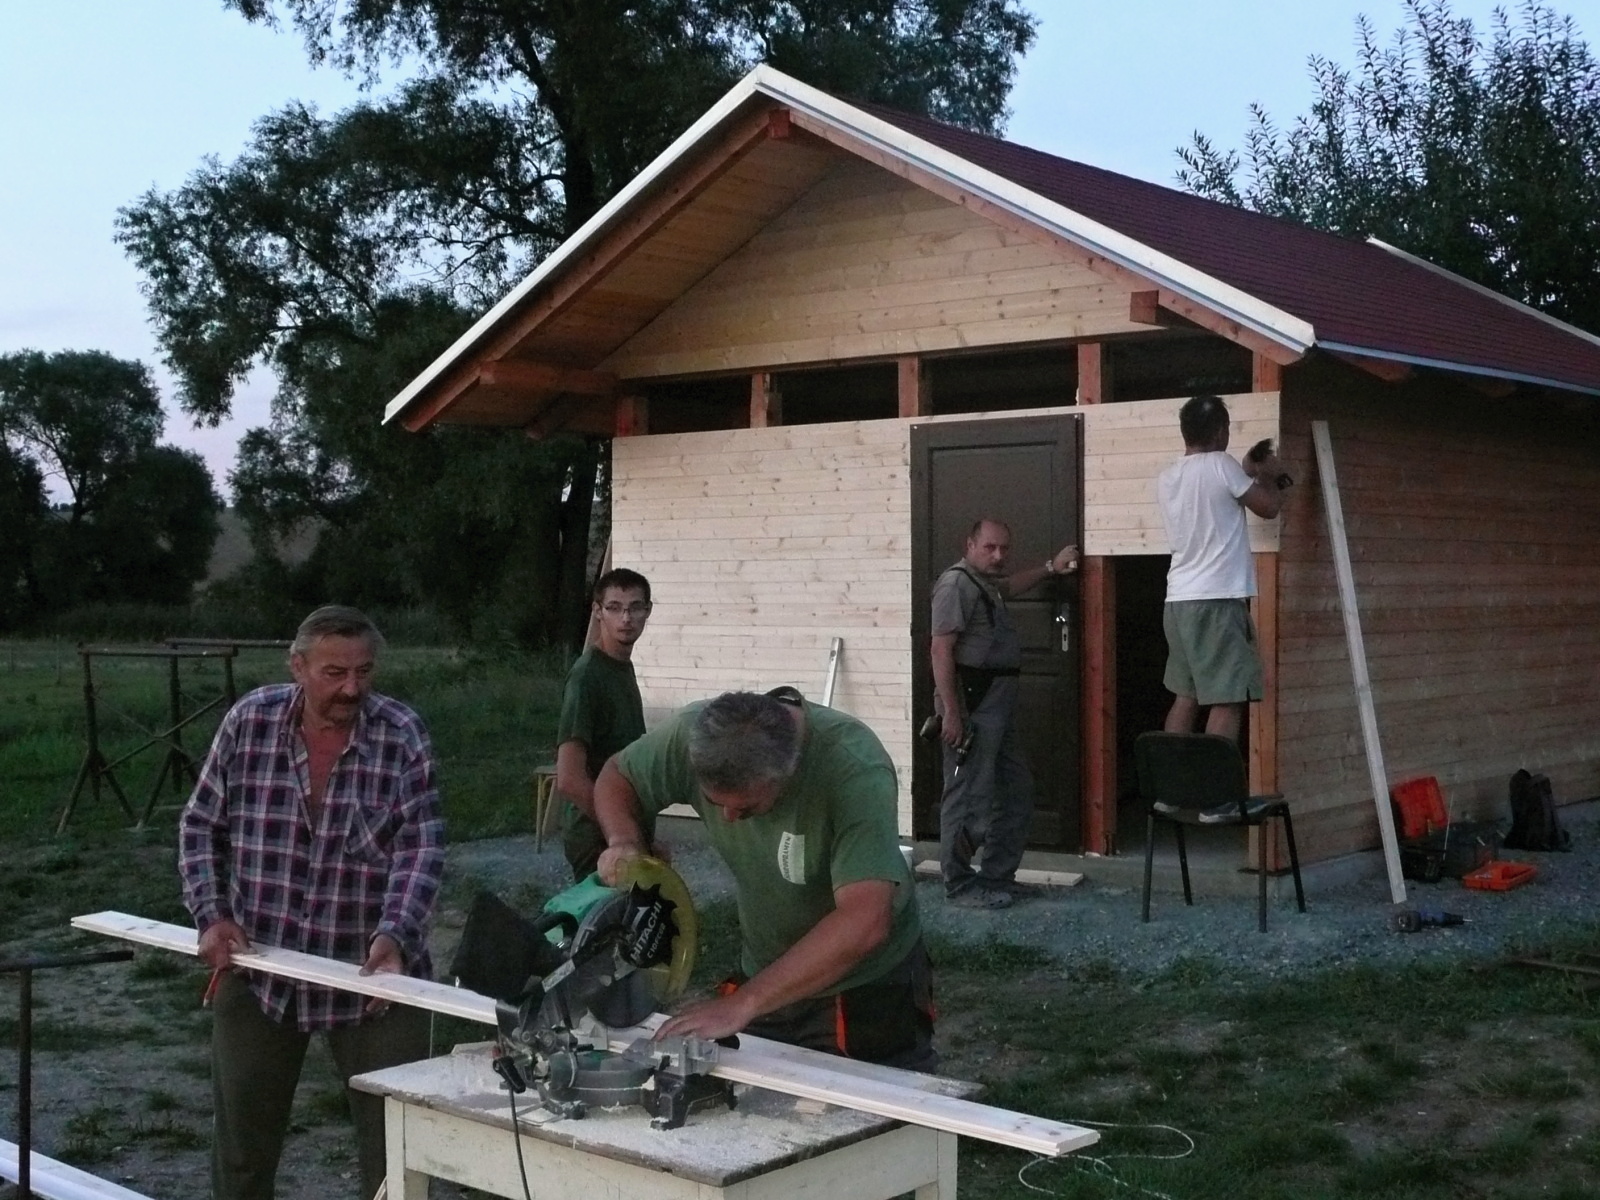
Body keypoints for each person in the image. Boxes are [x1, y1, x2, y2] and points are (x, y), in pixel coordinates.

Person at [178, 606, 444, 1200]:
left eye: (363, 672)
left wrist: (396, 935)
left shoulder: (402, 733)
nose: (352, 688)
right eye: (334, 673)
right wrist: (212, 915)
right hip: (259, 966)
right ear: (297, 667)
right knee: (242, 1154)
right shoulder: (249, 721)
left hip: (371, 976)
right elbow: (200, 826)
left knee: (398, 1158)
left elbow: (422, 847)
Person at [593, 688, 936, 1070]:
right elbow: (618, 776)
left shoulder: (853, 767)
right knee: (756, 1091)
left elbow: (866, 920)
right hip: (766, 968)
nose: (727, 818)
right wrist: (625, 841)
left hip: (863, 989)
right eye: (714, 802)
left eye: (746, 808)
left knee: (874, 1101)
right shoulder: (695, 733)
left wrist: (743, 1003)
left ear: (787, 774)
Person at [931, 519, 1078, 910]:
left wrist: (1050, 568)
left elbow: (1009, 586)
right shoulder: (955, 585)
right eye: (990, 547)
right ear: (970, 544)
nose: (998, 555)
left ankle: (997, 877)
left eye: (1004, 548)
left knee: (1016, 791)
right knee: (968, 799)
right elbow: (940, 650)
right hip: (972, 706)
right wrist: (952, 713)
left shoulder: (984, 583)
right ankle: (959, 885)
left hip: (998, 706)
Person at [1156, 393, 1291, 743]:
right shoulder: (1222, 464)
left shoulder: (1169, 476)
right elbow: (1268, 507)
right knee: (1227, 698)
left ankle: (1173, 777)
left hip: (1178, 601)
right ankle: (1214, 779)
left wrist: (1246, 471)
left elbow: (1212, 494)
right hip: (1216, 602)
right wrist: (1274, 477)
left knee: (1186, 696)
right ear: (1220, 431)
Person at [555, 568, 655, 880]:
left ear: (648, 611)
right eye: (614, 608)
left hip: (623, 830)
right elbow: (569, 778)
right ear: (598, 612)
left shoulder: (621, 666)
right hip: (598, 838)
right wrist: (625, 835)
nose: (626, 618)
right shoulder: (587, 677)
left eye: (635, 607)